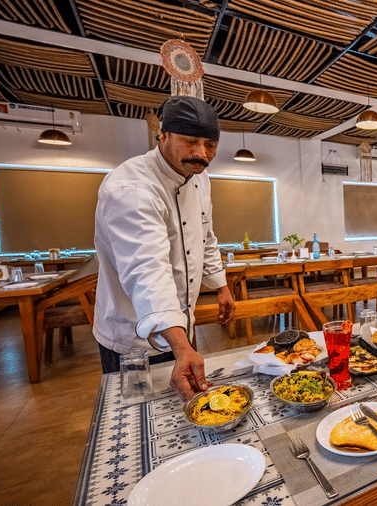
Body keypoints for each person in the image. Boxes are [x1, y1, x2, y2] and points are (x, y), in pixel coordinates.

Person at [93, 96, 235, 401]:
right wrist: (182, 347)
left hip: (183, 325)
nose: (201, 153)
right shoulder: (131, 188)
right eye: (190, 141)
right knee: (137, 418)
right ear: (163, 135)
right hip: (133, 335)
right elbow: (147, 271)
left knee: (185, 409)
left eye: (210, 145)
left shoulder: (200, 177)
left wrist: (221, 286)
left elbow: (205, 236)